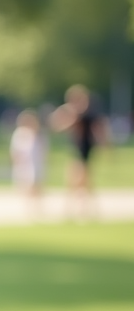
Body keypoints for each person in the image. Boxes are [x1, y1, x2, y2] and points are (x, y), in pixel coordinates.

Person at [51, 85, 108, 218]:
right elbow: (57, 125)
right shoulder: (76, 114)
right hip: (76, 150)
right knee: (80, 181)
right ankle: (84, 209)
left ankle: (77, 209)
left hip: (84, 150)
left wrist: (104, 146)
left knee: (79, 180)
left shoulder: (87, 115)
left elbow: (98, 130)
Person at [10, 109, 46, 210]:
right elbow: (15, 151)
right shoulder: (20, 134)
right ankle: (29, 207)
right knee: (26, 186)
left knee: (36, 185)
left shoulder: (38, 134)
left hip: (35, 163)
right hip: (24, 164)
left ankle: (37, 206)